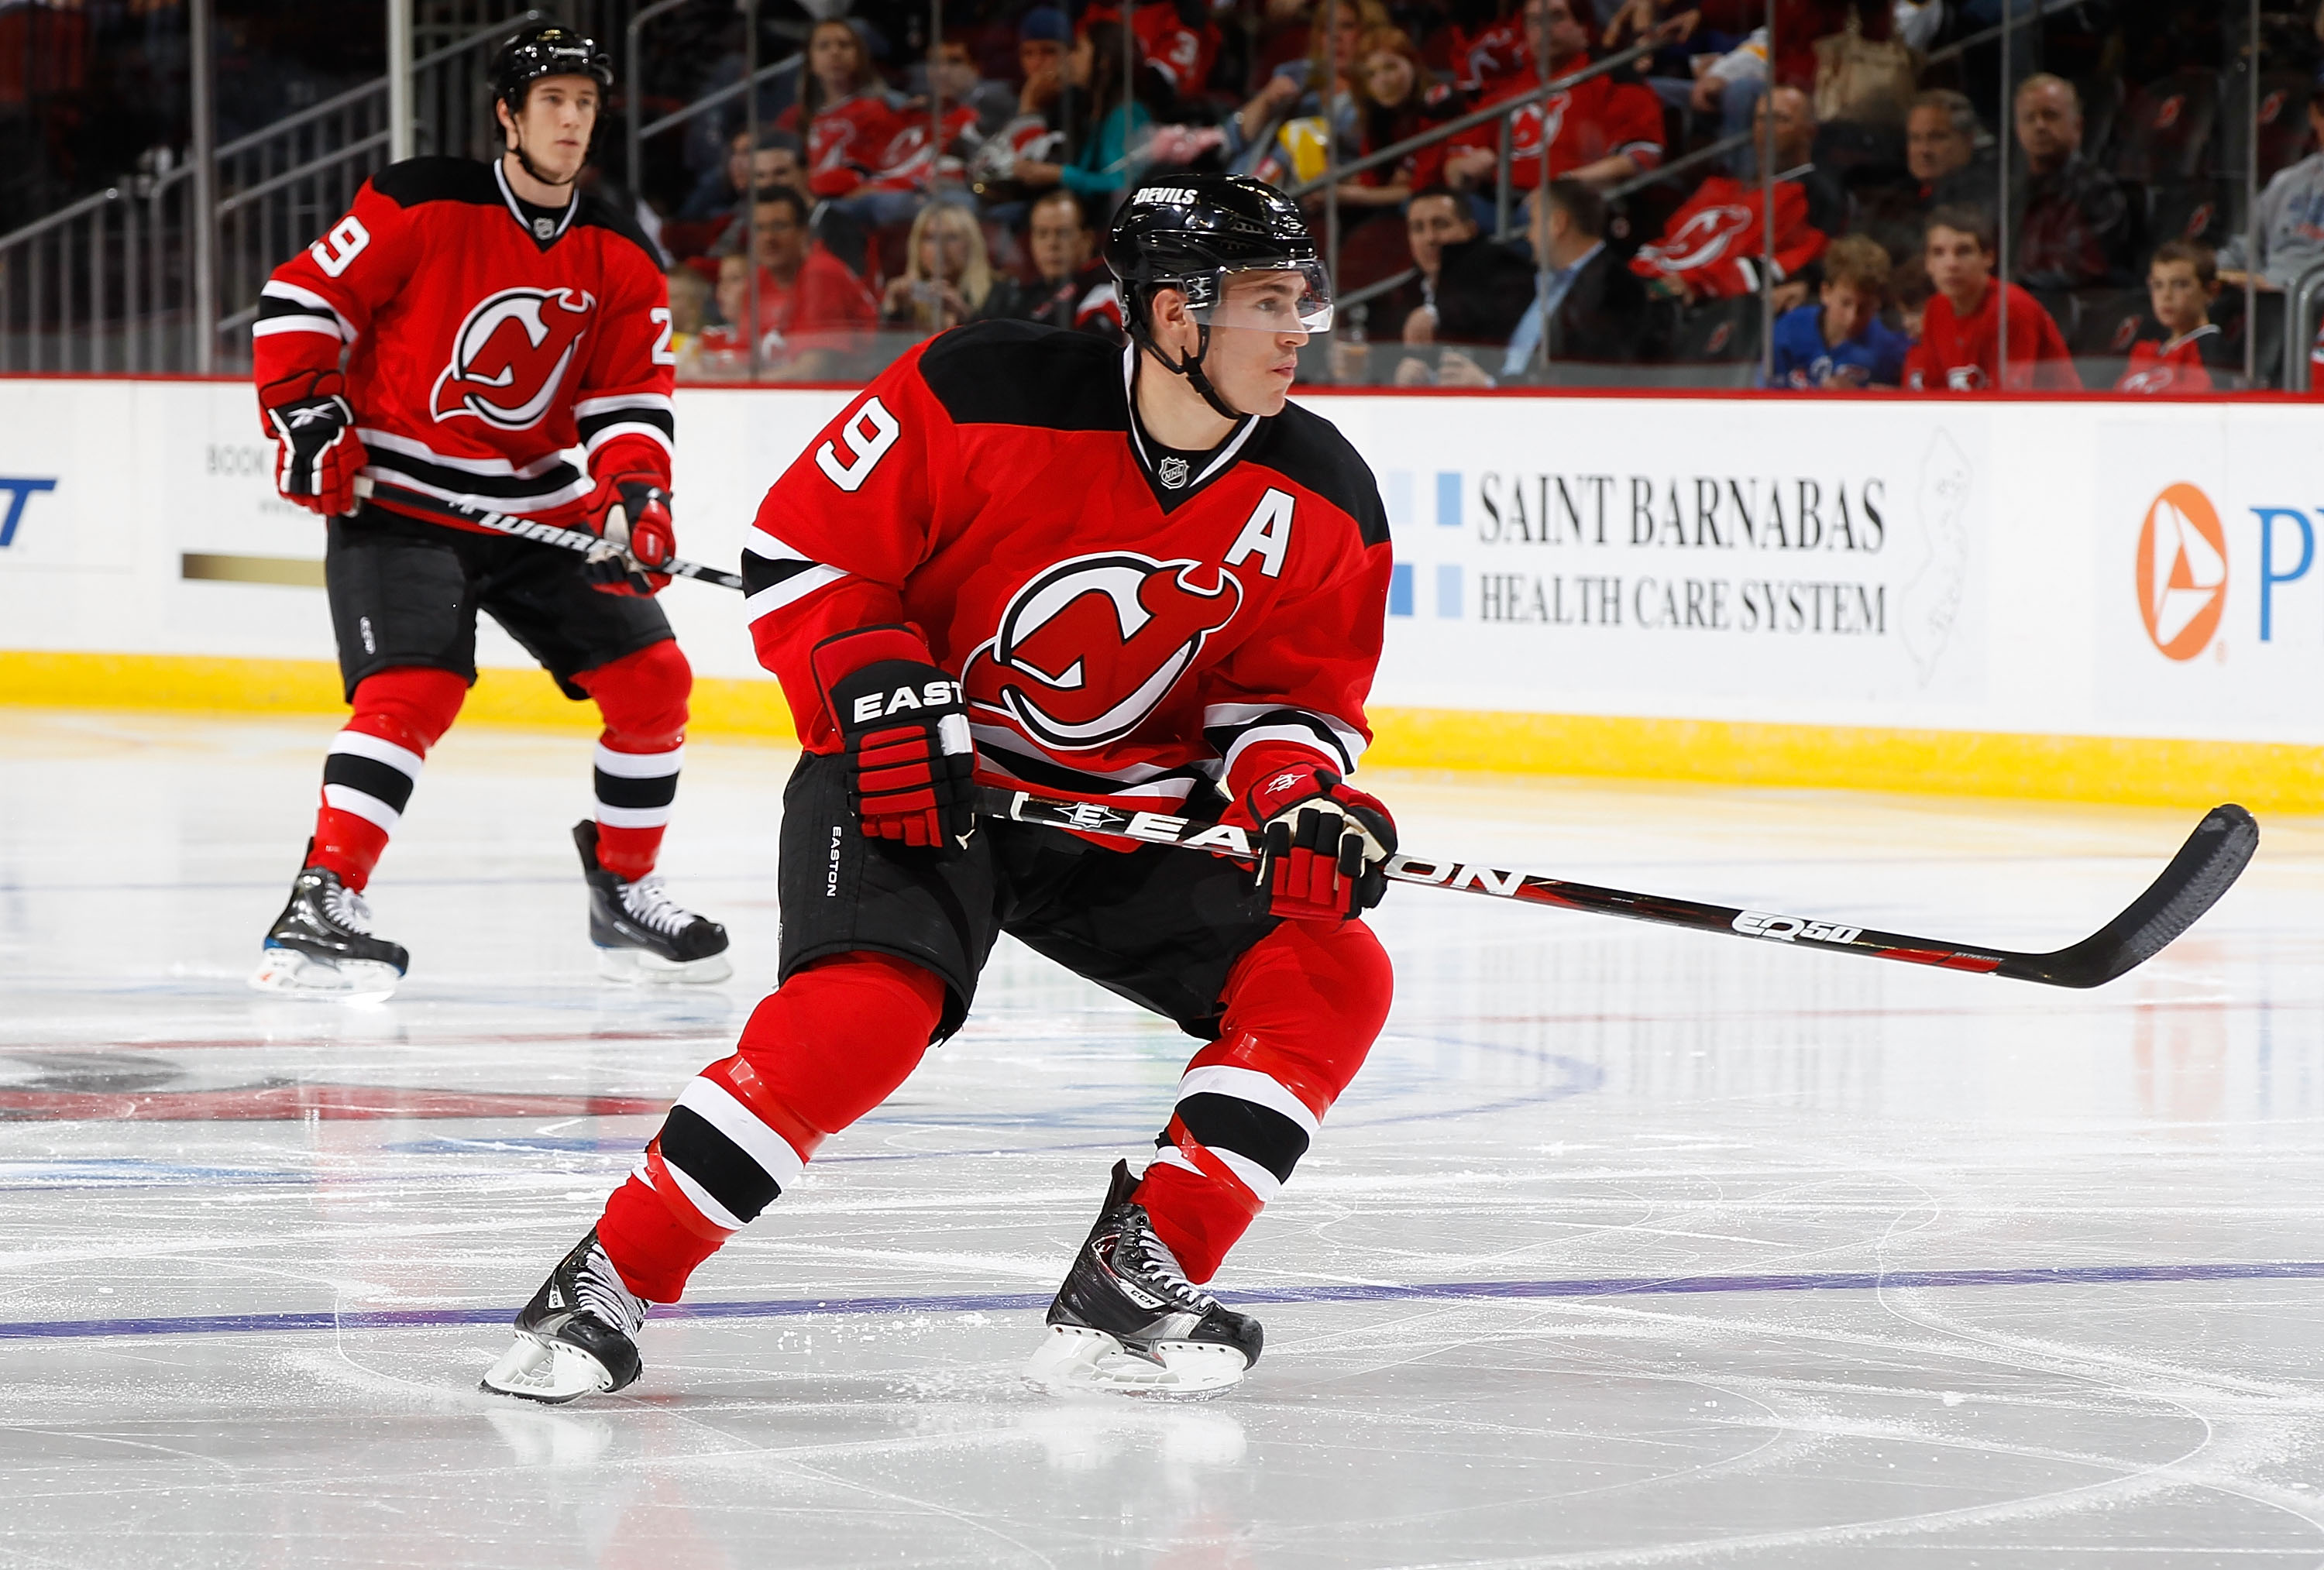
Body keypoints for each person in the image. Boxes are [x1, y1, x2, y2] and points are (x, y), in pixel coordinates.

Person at [480, 175, 1398, 1406]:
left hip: (1115, 820)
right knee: (862, 1016)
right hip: (919, 773)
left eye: (1302, 301)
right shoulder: (981, 387)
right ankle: (608, 1276)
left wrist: (1298, 800)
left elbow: (1288, 702)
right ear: (1176, 314)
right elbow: (803, 551)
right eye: (1268, 303)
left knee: (1334, 971)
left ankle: (1140, 1271)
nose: (1298, 332)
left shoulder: (1326, 493)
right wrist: (879, 685)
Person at [247, 26, 729, 998]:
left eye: (584, 104)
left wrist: (639, 497)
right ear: (508, 115)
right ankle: (323, 894)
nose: (571, 120)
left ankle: (622, 888)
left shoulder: (620, 252)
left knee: (654, 683)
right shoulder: (422, 200)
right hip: (404, 496)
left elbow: (629, 398)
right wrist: (306, 414)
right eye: (551, 100)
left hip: (535, 503)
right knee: (414, 689)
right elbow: (302, 301)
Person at [1426, 178, 1641, 383]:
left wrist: (1490, 386)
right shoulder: (1534, 280)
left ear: (1558, 224)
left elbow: (1582, 380)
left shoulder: (1616, 289)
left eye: (1533, 222)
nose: (1528, 235)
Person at [1441, 0, 1665, 194]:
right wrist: (1462, 167)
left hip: (1577, 201)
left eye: (1556, 17)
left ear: (1583, 28)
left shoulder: (1614, 77)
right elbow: (1456, 161)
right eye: (1535, 21)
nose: (1545, 28)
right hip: (1504, 203)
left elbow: (1642, 156)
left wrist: (1562, 187)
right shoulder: (1505, 91)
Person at [1903, 204, 2080, 391]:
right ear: (1928, 263)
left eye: (1964, 251)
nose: (1951, 264)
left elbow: (2011, 398)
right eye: (1938, 253)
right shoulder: (1935, 308)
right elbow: (1933, 390)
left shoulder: (2012, 308)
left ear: (1988, 257)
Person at [779, 19, 911, 223]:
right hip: (812, 206)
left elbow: (896, 167)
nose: (835, 52)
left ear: (859, 56)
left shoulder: (879, 109)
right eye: (824, 46)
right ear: (810, 61)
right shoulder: (797, 117)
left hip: (859, 208)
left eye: (844, 45)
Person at [2009, 73, 2131, 293]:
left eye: (2050, 115)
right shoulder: (2011, 194)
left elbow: (2081, 269)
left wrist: (2012, 288)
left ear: (2077, 126)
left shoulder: (2098, 192)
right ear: (2018, 130)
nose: (2039, 125)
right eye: (2029, 118)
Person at [1012, 21, 1156, 206]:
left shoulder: (1125, 115)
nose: (1070, 58)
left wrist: (1060, 174)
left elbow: (1122, 185)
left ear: (1103, 61)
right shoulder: (1085, 109)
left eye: (1078, 50)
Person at [977, 187, 1126, 339]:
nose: (1052, 244)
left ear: (1087, 239)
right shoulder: (1023, 296)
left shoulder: (1106, 289)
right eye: (1042, 234)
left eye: (1063, 233)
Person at [2219, 84, 2324, 292]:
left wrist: (2283, 287)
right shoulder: (2287, 181)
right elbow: (2244, 253)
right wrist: (2196, 267)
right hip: (2270, 302)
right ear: (2313, 115)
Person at [1769, 233, 1910, 388]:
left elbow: (1910, 394)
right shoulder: (1787, 332)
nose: (1852, 317)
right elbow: (1768, 391)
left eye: (1864, 307)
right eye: (1845, 303)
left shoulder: (1888, 347)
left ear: (1877, 302)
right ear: (1826, 293)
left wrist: (1861, 395)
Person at [2117, 240, 2234, 393]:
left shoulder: (2212, 355)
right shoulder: (2149, 349)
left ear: (2212, 291)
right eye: (2158, 285)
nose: (2166, 295)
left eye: (2180, 285)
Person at [879, 201, 996, 334]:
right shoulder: (908, 298)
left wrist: (966, 316)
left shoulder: (1000, 294)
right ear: (917, 246)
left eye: (951, 238)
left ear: (971, 244)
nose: (940, 249)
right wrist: (894, 313)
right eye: (930, 238)